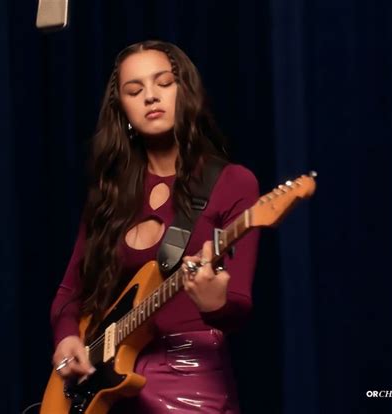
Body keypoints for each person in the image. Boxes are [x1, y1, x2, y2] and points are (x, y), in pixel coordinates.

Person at [50, 39, 260, 413]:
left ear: (185, 91)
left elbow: (239, 304)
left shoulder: (233, 183)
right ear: (123, 110)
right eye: (135, 89)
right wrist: (67, 338)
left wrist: (215, 304)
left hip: (189, 376)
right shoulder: (109, 193)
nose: (150, 96)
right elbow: (71, 290)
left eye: (163, 83)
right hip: (106, 382)